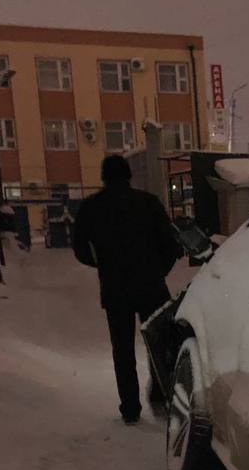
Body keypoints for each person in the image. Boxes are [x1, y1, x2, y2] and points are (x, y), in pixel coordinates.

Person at [73, 155, 182, 424]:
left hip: (115, 289)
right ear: (129, 175)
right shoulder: (148, 203)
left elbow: (79, 248)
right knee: (159, 342)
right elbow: (171, 244)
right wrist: (160, 269)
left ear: (104, 176)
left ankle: (130, 407)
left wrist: (101, 264)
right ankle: (162, 393)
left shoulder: (92, 207)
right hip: (151, 286)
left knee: (122, 350)